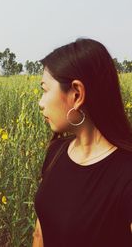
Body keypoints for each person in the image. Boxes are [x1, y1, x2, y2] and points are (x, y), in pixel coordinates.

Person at [32, 38, 132, 247]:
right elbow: (40, 234)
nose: (41, 103)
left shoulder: (126, 174)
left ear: (77, 94)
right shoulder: (56, 152)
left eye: (45, 89)